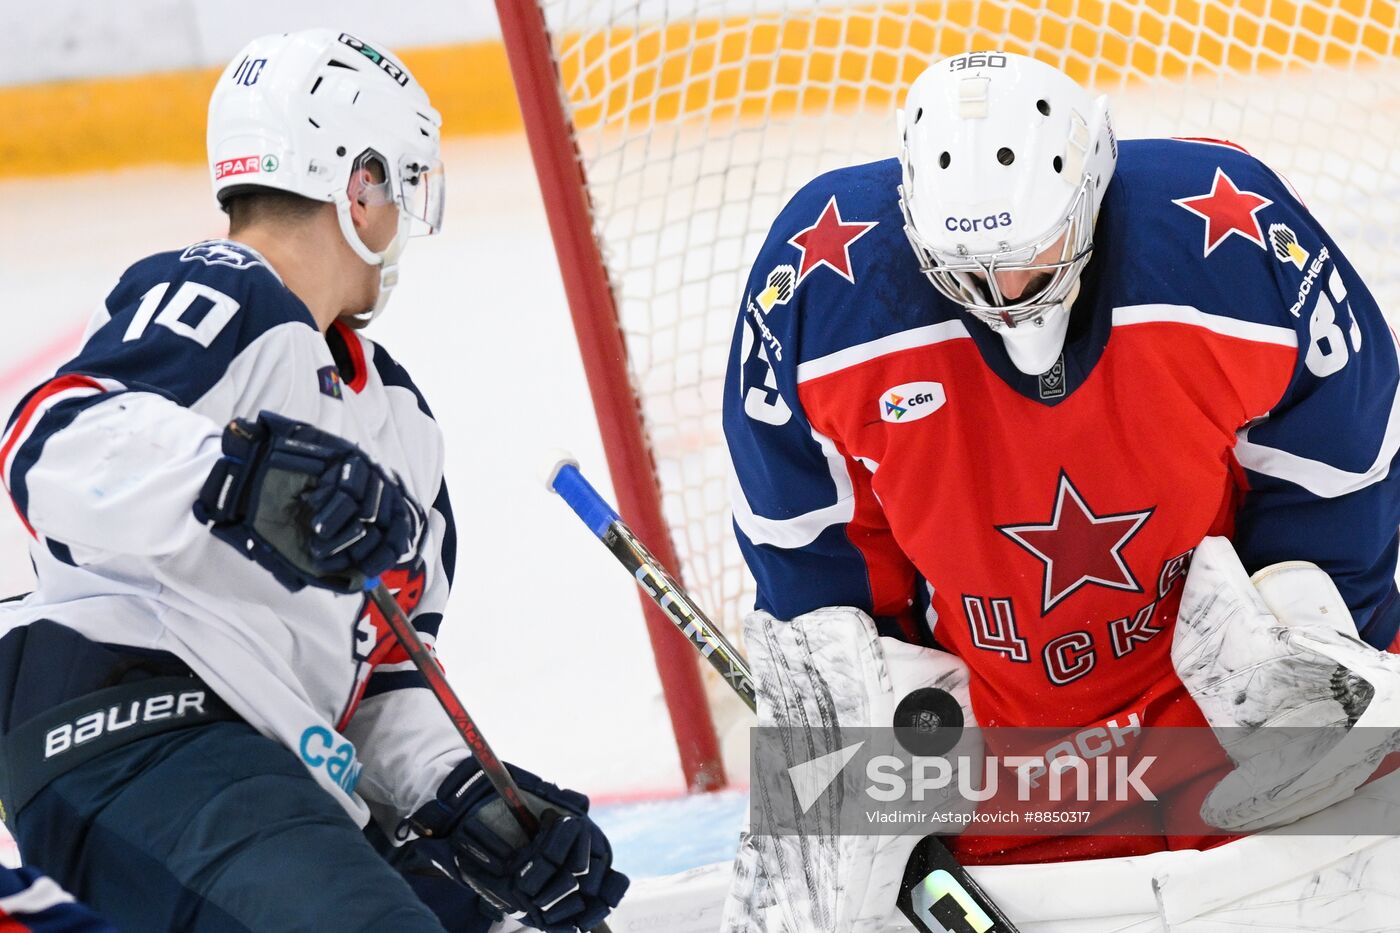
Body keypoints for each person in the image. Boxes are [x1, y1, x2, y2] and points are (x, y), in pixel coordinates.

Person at [722, 50, 1400, 930]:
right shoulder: (820, 296)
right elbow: (811, 558)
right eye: (968, 265)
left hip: (1222, 714)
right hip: (1003, 760)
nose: (1005, 294)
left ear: (1089, 191)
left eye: (1029, 253)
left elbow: (1340, 462)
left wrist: (1313, 629)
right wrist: (862, 749)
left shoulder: (1226, 236)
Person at [0, 29, 626, 933]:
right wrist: (246, 480)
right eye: (403, 186)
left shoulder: (400, 420)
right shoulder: (227, 292)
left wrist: (469, 798)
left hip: (272, 764)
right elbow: (50, 438)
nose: (403, 219)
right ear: (359, 186)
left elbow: (382, 673)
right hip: (128, 723)